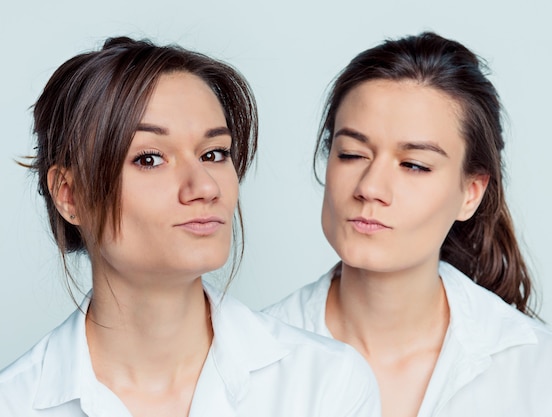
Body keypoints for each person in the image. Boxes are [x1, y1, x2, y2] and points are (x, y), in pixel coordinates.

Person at [0, 36, 380, 417]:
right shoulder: (14, 403)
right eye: (149, 158)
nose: (205, 187)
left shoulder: (325, 383)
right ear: (69, 194)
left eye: (214, 154)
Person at [265, 32, 552, 417]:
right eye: (352, 154)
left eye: (414, 165)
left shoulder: (544, 377)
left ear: (470, 193)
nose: (370, 187)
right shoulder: (243, 360)